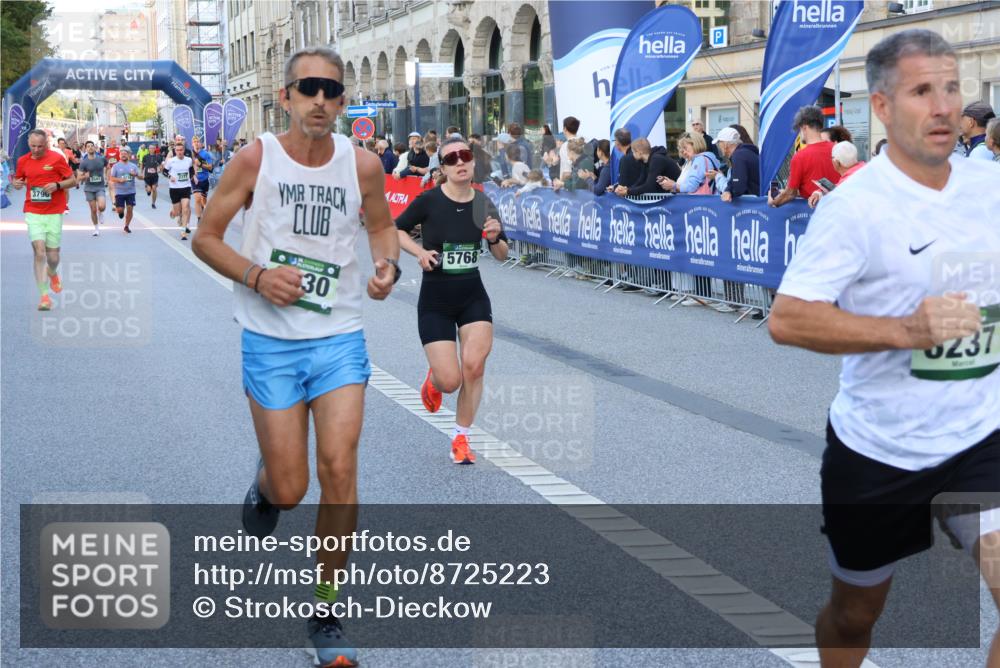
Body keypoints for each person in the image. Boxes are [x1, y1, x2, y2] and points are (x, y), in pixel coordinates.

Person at [768, 29, 1000, 668]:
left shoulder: (991, 190)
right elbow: (788, 320)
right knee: (854, 614)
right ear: (881, 107)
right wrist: (906, 331)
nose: (945, 106)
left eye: (952, 88)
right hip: (881, 450)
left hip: (982, 437)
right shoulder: (855, 207)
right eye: (922, 91)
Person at [192, 46, 399, 668]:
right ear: (285, 96)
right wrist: (257, 276)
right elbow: (205, 236)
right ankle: (267, 485)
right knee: (292, 485)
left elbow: (382, 225)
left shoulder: (362, 165)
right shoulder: (257, 158)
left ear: (342, 101)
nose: (319, 99)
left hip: (339, 335)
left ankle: (327, 609)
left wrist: (385, 264)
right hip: (269, 339)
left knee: (340, 469)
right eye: (307, 88)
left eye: (331, 91)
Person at [394, 137, 508, 465]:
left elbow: (501, 254)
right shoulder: (429, 200)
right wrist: (419, 252)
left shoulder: (483, 204)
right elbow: (396, 230)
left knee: (474, 366)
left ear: (473, 163)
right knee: (450, 380)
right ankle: (434, 379)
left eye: (466, 156)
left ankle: (462, 438)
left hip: (472, 295)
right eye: (452, 158)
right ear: (442, 168)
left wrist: (494, 238)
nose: (460, 162)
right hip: (436, 299)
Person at [11, 129, 76, 311]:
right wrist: (16, 183)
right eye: (33, 146)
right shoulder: (23, 160)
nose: (36, 150)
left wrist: (57, 185)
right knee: (39, 252)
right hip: (33, 211)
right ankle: (44, 296)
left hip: (54, 212)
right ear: (28, 144)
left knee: (53, 257)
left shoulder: (56, 159)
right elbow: (18, 180)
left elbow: (73, 180)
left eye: (40, 146)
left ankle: (52, 272)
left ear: (46, 144)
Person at [769, 105, 841, 207]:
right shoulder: (838, 148)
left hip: (812, 214)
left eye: (799, 130)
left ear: (804, 128)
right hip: (838, 209)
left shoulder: (800, 157)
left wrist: (774, 202)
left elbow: (790, 193)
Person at [656, 132, 721, 195]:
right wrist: (672, 185)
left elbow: (691, 186)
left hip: (699, 202)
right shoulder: (698, 159)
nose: (683, 152)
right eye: (681, 149)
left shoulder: (700, 160)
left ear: (695, 144)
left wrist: (673, 185)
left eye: (685, 148)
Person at [807, 141, 867, 208]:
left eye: (832, 158)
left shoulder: (845, 184)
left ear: (837, 163)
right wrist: (819, 193)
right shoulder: (864, 169)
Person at [613, 138, 681, 197]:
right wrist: (626, 189)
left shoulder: (656, 159)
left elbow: (649, 186)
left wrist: (627, 192)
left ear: (639, 152)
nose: (632, 155)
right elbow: (641, 181)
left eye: (633, 152)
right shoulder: (645, 161)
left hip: (680, 194)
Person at [714, 127, 760, 202]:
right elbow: (735, 179)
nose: (718, 146)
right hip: (757, 202)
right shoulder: (744, 153)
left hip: (752, 204)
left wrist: (730, 192)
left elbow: (738, 185)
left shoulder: (738, 155)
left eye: (719, 143)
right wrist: (728, 190)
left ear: (725, 144)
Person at [162, 140, 194, 240]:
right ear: (175, 151)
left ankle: (183, 231)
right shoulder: (171, 161)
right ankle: (174, 212)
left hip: (186, 187)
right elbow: (164, 171)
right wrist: (170, 176)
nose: (179, 152)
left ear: (184, 150)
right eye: (177, 150)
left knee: (185, 208)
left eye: (181, 150)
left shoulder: (188, 160)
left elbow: (191, 170)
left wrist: (192, 177)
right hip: (174, 188)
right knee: (177, 212)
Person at [77, 140, 107, 236]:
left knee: (102, 206)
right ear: (85, 149)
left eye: (92, 146)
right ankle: (96, 228)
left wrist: (107, 176)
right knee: (93, 210)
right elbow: (78, 178)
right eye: (88, 146)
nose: (90, 147)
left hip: (100, 186)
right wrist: (85, 176)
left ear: (94, 147)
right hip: (89, 188)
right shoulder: (83, 162)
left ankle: (101, 212)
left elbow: (108, 166)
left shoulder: (102, 158)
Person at [110, 146, 140, 233]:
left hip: (131, 191)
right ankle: (120, 211)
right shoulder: (115, 166)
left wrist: (135, 175)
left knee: (130, 208)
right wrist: (119, 180)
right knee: (120, 210)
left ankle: (126, 226)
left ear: (128, 155)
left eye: (125, 154)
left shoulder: (133, 166)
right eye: (122, 154)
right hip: (119, 192)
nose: (123, 155)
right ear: (119, 156)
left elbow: (141, 177)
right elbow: (111, 178)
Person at [191, 136, 214, 226]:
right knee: (197, 199)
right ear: (192, 143)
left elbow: (210, 167)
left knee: (203, 200)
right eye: (194, 142)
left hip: (204, 179)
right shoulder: (190, 154)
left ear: (200, 143)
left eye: (198, 141)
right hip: (195, 180)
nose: (196, 143)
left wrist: (200, 164)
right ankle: (199, 219)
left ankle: (203, 209)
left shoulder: (205, 154)